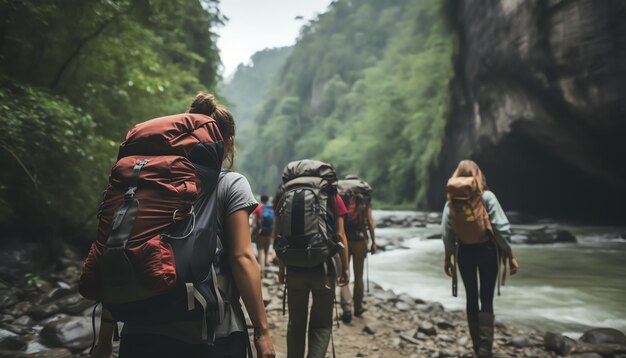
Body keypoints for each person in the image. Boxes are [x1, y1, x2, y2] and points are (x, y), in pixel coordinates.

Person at [91, 93, 275, 358]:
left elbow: (118, 248)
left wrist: (104, 340)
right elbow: (243, 257)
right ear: (229, 143)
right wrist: (262, 332)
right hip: (210, 334)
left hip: (139, 328)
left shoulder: (141, 184)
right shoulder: (231, 184)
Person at [441, 160, 519, 358]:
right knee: (486, 297)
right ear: (478, 175)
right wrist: (510, 255)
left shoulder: (451, 200)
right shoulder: (487, 197)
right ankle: (485, 349)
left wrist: (448, 257)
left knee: (471, 297)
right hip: (487, 251)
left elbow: (447, 232)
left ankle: (476, 346)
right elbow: (501, 228)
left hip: (464, 253)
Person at [275, 161, 350, 358]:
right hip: (323, 268)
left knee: (295, 323)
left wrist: (282, 267)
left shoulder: (285, 194)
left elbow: (281, 234)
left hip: (294, 267)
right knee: (321, 325)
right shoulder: (330, 194)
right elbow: (341, 235)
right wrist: (346, 268)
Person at [338, 175, 377, 323]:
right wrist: (373, 242)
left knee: (343, 274)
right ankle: (358, 307)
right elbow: (370, 221)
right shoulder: (364, 198)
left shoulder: (342, 196)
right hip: (361, 239)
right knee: (359, 275)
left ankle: (346, 308)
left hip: (344, 240)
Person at [256, 194, 274, 276]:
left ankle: (262, 269)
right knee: (266, 250)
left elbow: (256, 219)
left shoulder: (259, 206)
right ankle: (266, 266)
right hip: (269, 232)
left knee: (260, 250)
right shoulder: (271, 207)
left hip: (260, 232)